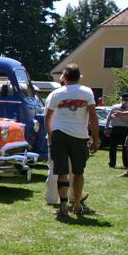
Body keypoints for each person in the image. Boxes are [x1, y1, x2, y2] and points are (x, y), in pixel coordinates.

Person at [44, 63, 100, 218]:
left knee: (61, 172)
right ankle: (76, 205)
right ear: (78, 77)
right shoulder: (87, 92)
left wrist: (50, 134)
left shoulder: (57, 94)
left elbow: (47, 117)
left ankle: (62, 205)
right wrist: (96, 138)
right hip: (79, 136)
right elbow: (93, 117)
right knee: (78, 172)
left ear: (65, 77)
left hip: (59, 135)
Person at [106, 93, 128, 172]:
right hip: (121, 129)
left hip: (120, 129)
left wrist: (107, 127)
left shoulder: (126, 109)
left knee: (117, 147)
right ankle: (124, 164)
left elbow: (109, 118)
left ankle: (113, 163)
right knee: (121, 147)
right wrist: (107, 127)